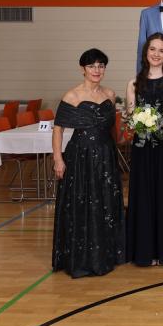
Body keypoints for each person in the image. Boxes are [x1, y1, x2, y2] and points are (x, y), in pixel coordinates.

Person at [52, 48, 124, 278]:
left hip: (105, 155)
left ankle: (105, 254)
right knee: (82, 203)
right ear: (82, 69)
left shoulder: (110, 94)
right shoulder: (71, 96)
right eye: (92, 66)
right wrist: (58, 159)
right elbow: (58, 129)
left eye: (101, 66)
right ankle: (82, 258)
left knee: (105, 202)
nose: (97, 70)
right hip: (80, 156)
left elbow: (114, 130)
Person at [125, 33, 163, 266]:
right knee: (144, 196)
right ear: (146, 52)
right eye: (153, 49)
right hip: (143, 148)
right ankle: (146, 251)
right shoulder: (134, 83)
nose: (156, 54)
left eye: (162, 50)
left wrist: (159, 122)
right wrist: (141, 122)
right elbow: (131, 115)